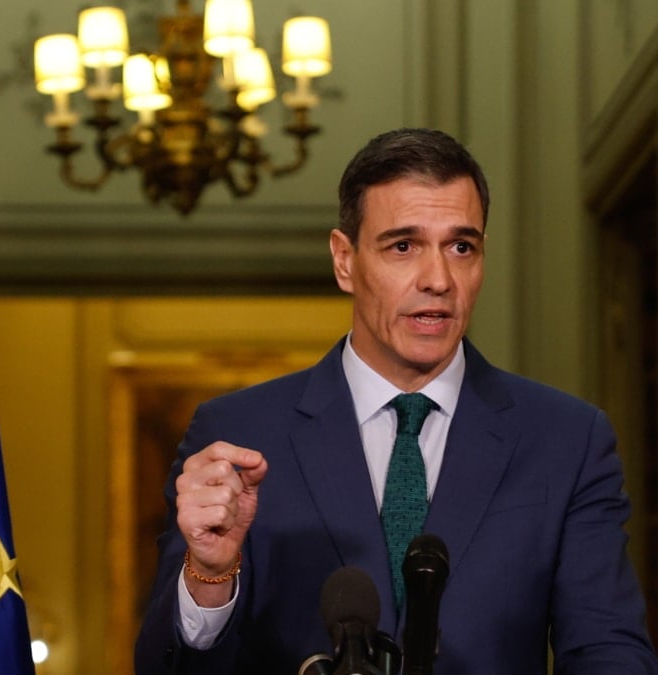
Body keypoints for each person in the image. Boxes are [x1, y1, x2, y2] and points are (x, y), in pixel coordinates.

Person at [134, 128, 658, 674]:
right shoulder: (239, 433)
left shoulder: (566, 439)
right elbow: (162, 666)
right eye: (403, 246)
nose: (438, 279)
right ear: (345, 260)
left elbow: (610, 651)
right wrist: (210, 574)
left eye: (461, 246)